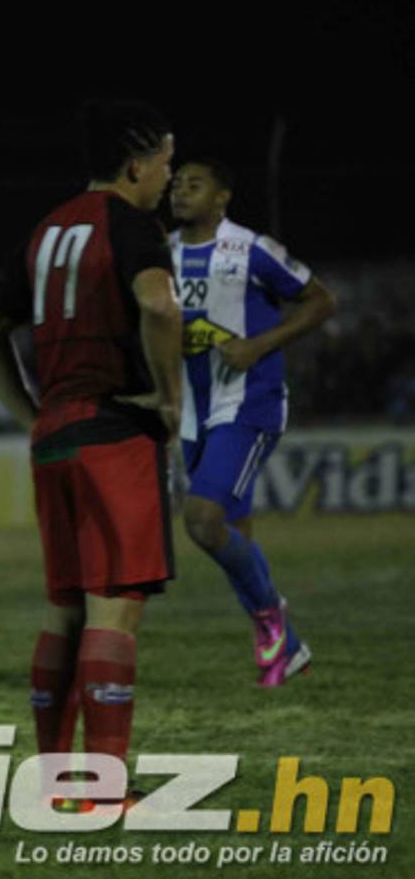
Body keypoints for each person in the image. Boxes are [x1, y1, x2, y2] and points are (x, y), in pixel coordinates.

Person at [0, 101, 182, 793]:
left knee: (67, 605)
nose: (167, 178)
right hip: (112, 432)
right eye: (165, 163)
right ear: (134, 163)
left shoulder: (48, 227)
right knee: (114, 605)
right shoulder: (129, 225)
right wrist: (169, 398)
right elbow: (157, 305)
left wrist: (29, 411)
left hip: (53, 438)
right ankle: (102, 791)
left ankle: (57, 775)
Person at [169, 158, 336, 686]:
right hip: (194, 415)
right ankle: (289, 651)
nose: (180, 192)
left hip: (248, 403)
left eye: (194, 185)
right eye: (175, 185)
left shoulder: (251, 249)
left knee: (200, 519)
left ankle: (274, 622)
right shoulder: (162, 255)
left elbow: (321, 300)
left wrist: (259, 345)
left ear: (223, 197)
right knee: (231, 533)